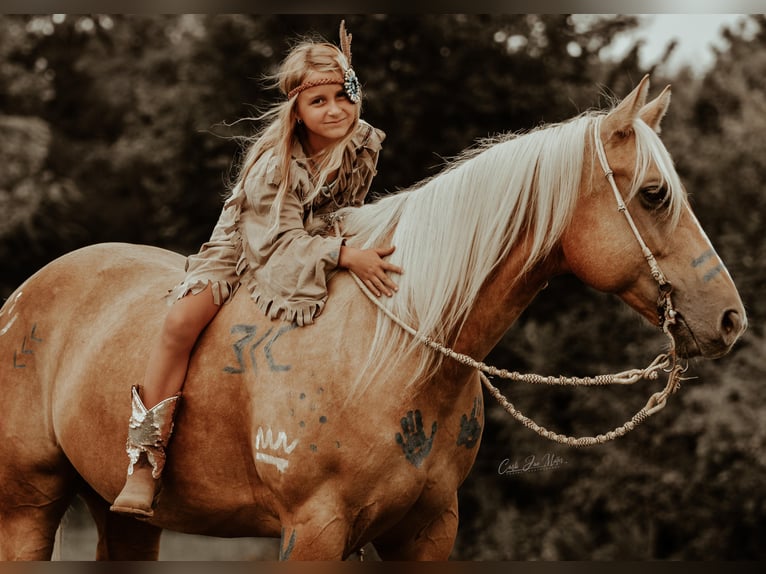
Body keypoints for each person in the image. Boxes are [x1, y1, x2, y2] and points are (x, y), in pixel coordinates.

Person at [110, 21, 402, 518]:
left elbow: (343, 210)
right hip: (249, 245)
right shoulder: (274, 165)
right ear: (298, 111)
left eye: (342, 96)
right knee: (181, 321)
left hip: (315, 242)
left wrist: (347, 244)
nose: (335, 110)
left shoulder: (361, 145)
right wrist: (342, 255)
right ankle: (144, 459)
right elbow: (274, 242)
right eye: (319, 102)